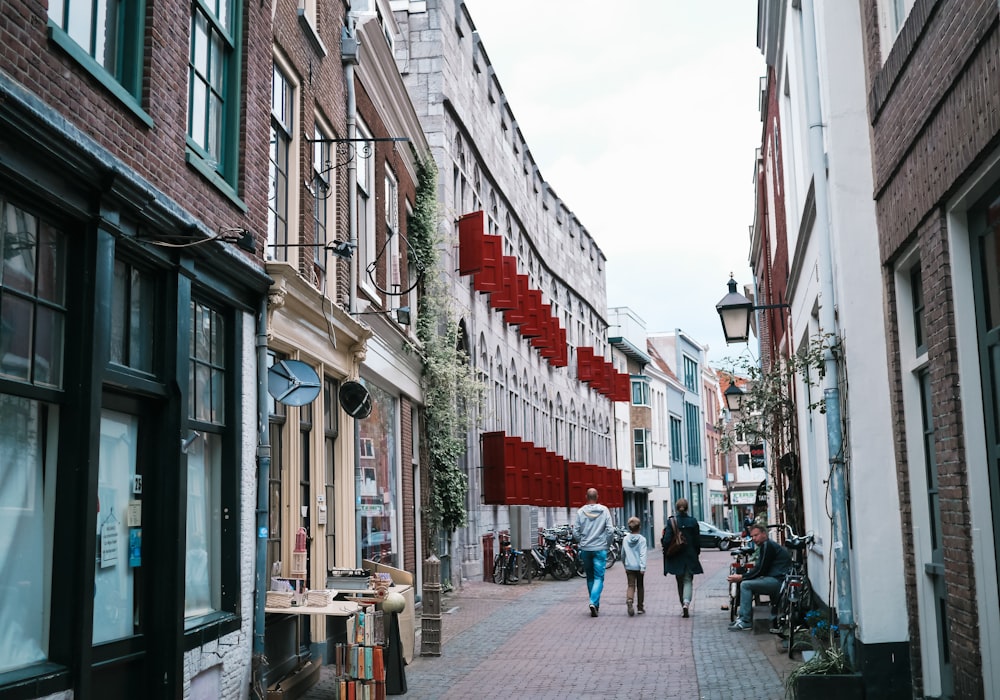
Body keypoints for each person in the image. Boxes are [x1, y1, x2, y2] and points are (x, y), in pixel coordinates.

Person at [727, 523, 792, 631]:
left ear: (763, 534)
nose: (753, 539)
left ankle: (745, 621)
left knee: (746, 585)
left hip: (778, 581)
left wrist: (742, 577)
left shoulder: (767, 545)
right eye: (752, 536)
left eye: (755, 535)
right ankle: (742, 617)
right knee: (747, 583)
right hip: (777, 579)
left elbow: (761, 569)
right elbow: (760, 568)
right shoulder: (766, 545)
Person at [574, 487, 614, 617]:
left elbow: (575, 532)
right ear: (597, 497)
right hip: (600, 548)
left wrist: (582, 541)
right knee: (599, 577)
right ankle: (593, 602)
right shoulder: (604, 511)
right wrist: (607, 544)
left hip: (586, 549)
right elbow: (610, 530)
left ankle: (595, 604)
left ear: (586, 497)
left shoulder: (580, 512)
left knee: (590, 577)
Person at [661, 498, 703, 618]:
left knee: (679, 582)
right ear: (687, 507)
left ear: (676, 508)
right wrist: (696, 553)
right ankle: (686, 603)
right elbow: (697, 541)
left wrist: (667, 550)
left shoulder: (672, 522)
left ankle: (683, 604)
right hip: (690, 555)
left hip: (676, 556)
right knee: (688, 580)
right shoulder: (693, 522)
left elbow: (667, 540)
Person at [620, 516, 647, 617]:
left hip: (629, 566)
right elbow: (643, 554)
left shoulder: (625, 539)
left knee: (631, 585)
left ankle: (629, 600)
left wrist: (624, 563)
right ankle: (640, 608)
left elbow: (622, 554)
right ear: (639, 527)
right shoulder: (642, 540)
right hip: (639, 567)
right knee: (640, 586)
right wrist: (643, 567)